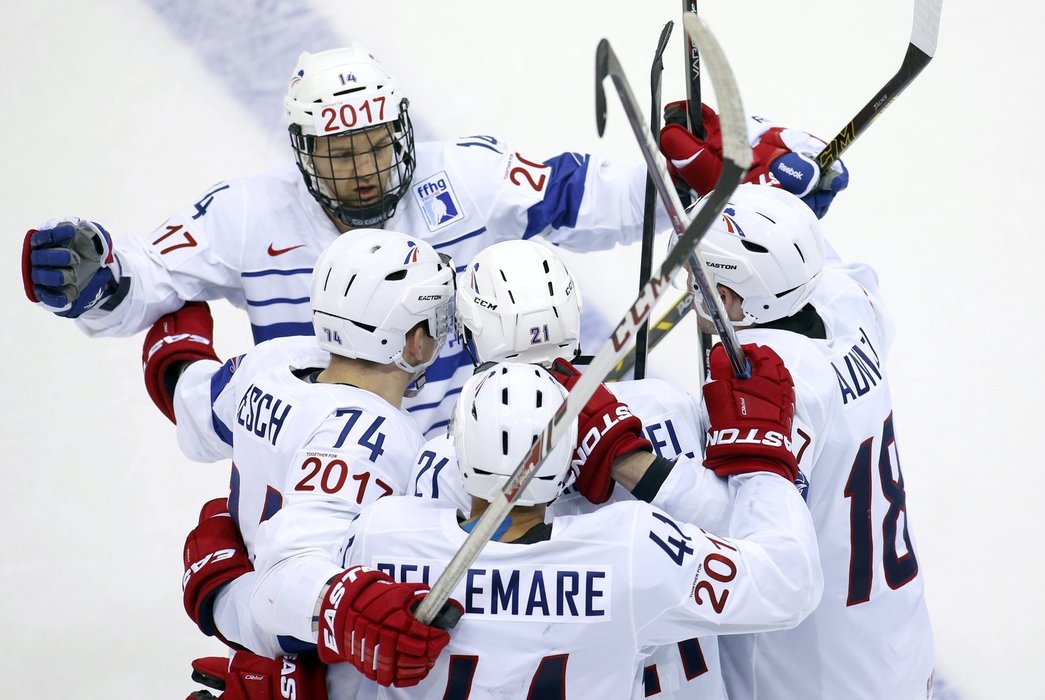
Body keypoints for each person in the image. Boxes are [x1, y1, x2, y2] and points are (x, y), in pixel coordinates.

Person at [21, 42, 848, 440]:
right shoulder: (246, 215)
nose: (362, 168)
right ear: (303, 155)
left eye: (376, 144)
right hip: (332, 472)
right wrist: (95, 275)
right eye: (339, 154)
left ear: (404, 135)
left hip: (478, 457)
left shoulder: (465, 178)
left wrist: (718, 167)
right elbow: (146, 277)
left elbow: (591, 189)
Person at [337, 352, 821, 698]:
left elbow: (288, 590)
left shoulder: (383, 536)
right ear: (569, 453)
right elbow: (788, 583)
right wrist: (761, 459)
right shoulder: (631, 548)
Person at [146, 230, 462, 696]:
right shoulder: (372, 438)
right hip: (325, 667)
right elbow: (291, 578)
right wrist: (348, 609)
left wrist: (175, 341)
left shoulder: (272, 363)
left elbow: (196, 414)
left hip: (256, 626)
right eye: (436, 322)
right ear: (414, 343)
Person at [683, 184, 934, 700]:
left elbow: (747, 539)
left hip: (815, 678)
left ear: (728, 298)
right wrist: (722, 184)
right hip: (899, 647)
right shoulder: (849, 308)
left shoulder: (768, 382)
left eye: (699, 276)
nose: (690, 287)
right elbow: (818, 262)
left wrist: (634, 463)